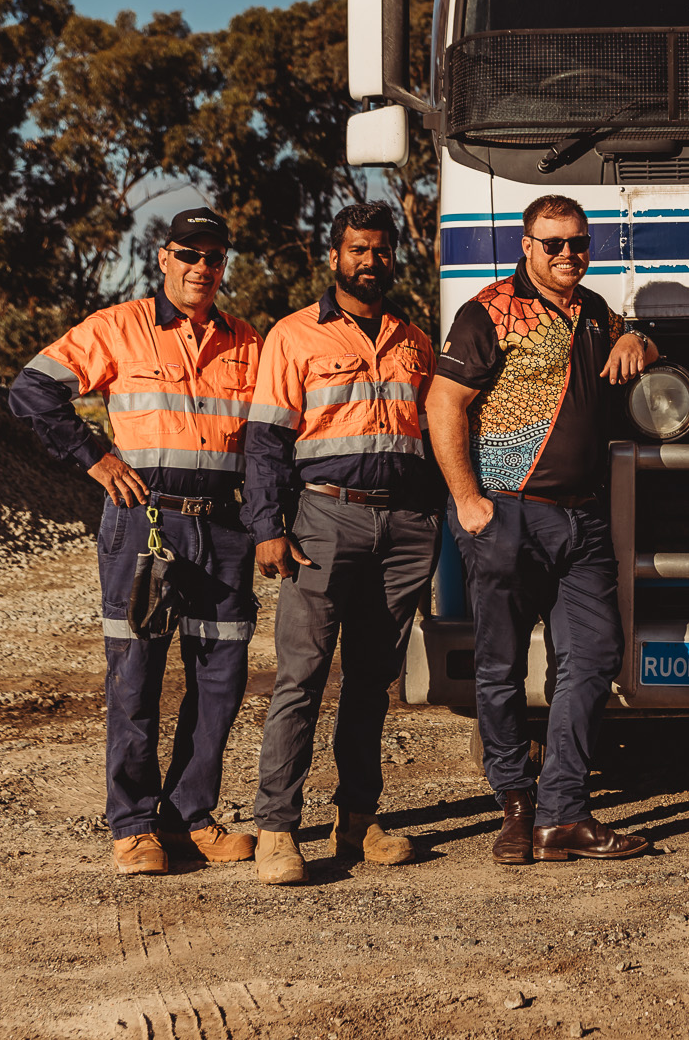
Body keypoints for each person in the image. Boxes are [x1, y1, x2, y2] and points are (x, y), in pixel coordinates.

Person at [8, 207, 262, 875]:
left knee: (221, 677)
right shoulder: (117, 328)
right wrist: (95, 458)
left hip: (224, 528)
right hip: (144, 523)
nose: (201, 267)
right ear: (163, 258)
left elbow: (271, 440)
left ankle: (189, 817)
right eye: (188, 254)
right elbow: (32, 390)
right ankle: (132, 826)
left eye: (213, 256)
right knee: (135, 675)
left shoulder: (249, 342)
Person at [425, 195, 658, 864]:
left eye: (578, 243)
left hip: (582, 519)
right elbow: (444, 403)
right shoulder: (488, 312)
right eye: (552, 243)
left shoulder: (594, 312)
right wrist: (468, 499)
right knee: (498, 669)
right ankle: (514, 805)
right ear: (526, 245)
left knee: (592, 656)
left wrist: (638, 337)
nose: (567, 255)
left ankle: (561, 812)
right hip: (507, 514)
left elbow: (638, 341)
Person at [243, 202, 443, 885]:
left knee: (370, 683)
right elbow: (267, 439)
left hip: (404, 528)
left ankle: (359, 821)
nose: (370, 260)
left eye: (381, 250)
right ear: (334, 256)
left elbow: (438, 433)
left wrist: (435, 519)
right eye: (358, 248)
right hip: (324, 521)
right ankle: (276, 829)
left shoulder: (415, 339)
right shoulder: (294, 336)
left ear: (393, 257)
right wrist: (266, 525)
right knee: (300, 678)